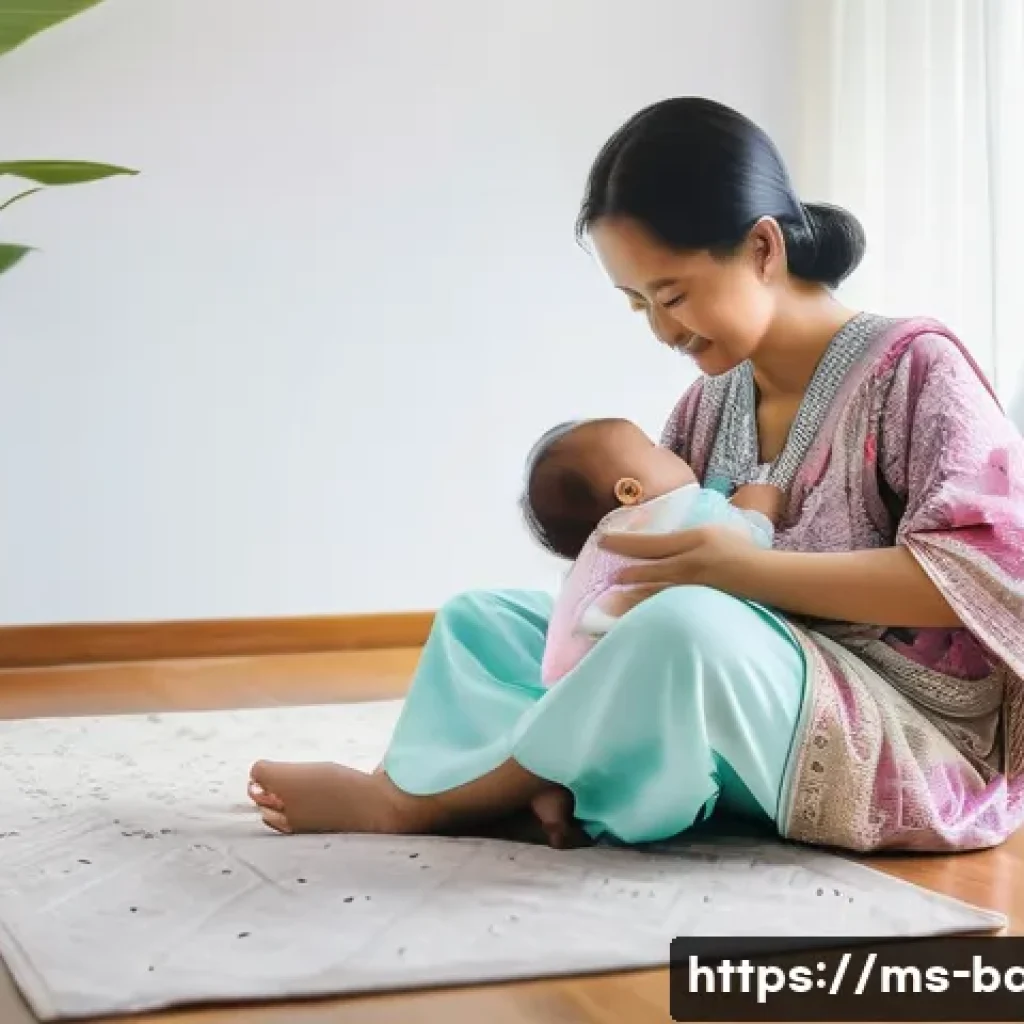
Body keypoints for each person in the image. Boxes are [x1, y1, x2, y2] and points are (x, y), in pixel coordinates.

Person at [247, 96, 1024, 855]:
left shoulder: (918, 369)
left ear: (762, 249)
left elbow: (985, 577)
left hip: (901, 732)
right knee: (485, 623)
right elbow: (632, 577)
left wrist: (752, 572)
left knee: (679, 632)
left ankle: (429, 803)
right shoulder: (710, 401)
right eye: (636, 304)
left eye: (673, 295)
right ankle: (537, 782)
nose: (661, 330)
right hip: (736, 698)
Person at [518, 417, 776, 685]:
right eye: (653, 447)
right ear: (630, 490)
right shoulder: (683, 508)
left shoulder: (591, 562)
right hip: (642, 668)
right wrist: (758, 511)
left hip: (572, 678)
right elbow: (743, 553)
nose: (670, 451)